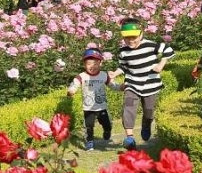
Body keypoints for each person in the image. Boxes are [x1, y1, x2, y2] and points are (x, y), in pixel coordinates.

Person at [108, 18, 175, 150]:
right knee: (128, 107)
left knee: (148, 111)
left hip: (150, 84)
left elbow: (169, 51)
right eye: (127, 38)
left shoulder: (151, 45)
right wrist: (115, 73)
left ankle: (146, 124)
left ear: (141, 34)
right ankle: (130, 138)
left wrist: (161, 64)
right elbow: (124, 67)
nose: (131, 41)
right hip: (132, 84)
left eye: (134, 37)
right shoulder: (123, 51)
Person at [67, 48, 123, 151]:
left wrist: (121, 87)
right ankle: (90, 142)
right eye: (89, 64)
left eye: (96, 63)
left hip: (101, 107)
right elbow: (74, 85)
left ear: (100, 63)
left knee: (106, 124)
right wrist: (71, 91)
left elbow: (113, 86)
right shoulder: (81, 76)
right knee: (89, 126)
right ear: (84, 64)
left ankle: (107, 131)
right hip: (88, 108)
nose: (92, 66)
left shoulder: (104, 75)